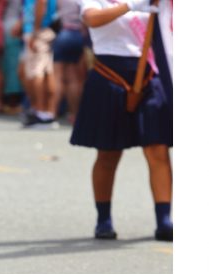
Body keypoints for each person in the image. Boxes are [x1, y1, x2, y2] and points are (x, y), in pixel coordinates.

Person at [70, 0, 172, 241]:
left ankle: (164, 219)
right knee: (108, 152)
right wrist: (130, 5)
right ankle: (103, 218)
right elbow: (92, 18)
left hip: (149, 71)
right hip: (110, 73)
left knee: (158, 149)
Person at [20, 0, 59, 128]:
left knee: (37, 72)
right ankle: (47, 113)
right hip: (43, 30)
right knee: (47, 71)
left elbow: (41, 2)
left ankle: (41, 113)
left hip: (39, 31)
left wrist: (35, 31)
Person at [52, 0, 87, 124]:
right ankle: (75, 113)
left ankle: (52, 112)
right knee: (74, 78)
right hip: (78, 35)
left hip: (65, 33)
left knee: (58, 77)